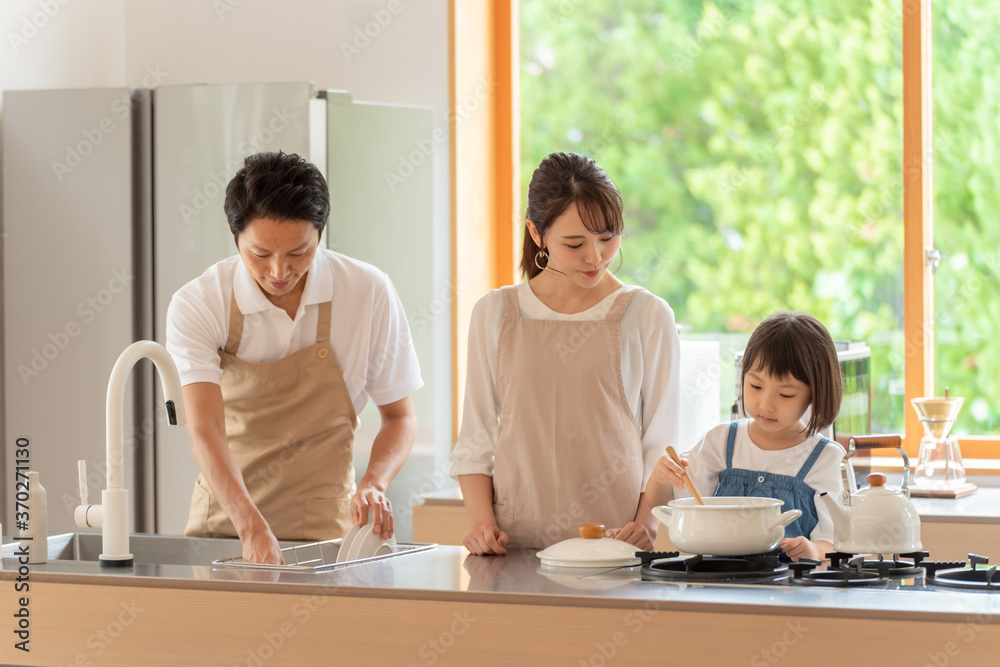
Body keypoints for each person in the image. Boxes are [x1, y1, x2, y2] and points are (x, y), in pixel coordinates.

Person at [166, 151, 422, 564]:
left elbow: (401, 417)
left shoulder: (367, 291)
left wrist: (374, 482)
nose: (280, 272)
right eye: (260, 254)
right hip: (226, 530)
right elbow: (205, 427)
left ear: (320, 234)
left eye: (299, 252)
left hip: (325, 530)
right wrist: (250, 526)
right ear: (233, 235)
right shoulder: (200, 302)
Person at [450, 152, 680, 555]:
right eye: (574, 243)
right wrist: (482, 525)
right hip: (515, 547)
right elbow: (475, 437)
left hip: (615, 547)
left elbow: (661, 443)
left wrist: (644, 524)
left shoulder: (647, 315)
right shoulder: (495, 313)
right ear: (536, 234)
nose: (595, 257)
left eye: (608, 237)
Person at [647, 310, 851, 562]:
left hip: (792, 592)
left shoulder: (826, 459)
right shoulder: (720, 442)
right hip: (723, 587)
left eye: (785, 394)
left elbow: (838, 544)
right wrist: (660, 477)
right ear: (743, 371)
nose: (766, 405)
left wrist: (813, 551)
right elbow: (679, 509)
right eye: (755, 386)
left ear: (814, 393)